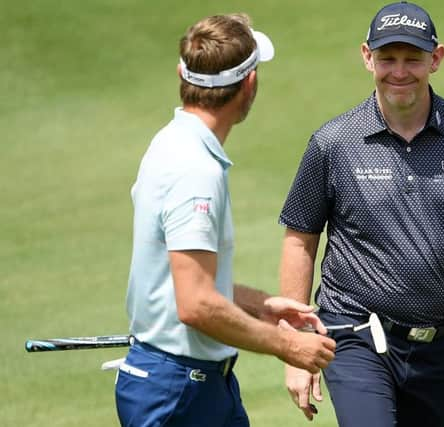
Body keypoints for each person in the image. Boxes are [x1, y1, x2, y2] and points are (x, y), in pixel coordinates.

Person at [278, 2, 444, 426]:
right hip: (354, 333)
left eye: (412, 59)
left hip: (439, 348)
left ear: (435, 59)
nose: (399, 71)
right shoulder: (333, 143)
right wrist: (294, 344)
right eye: (387, 59)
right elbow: (300, 239)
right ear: (367, 57)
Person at [115, 13, 336, 427]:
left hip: (195, 386)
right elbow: (197, 304)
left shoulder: (170, 142)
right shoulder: (195, 170)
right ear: (249, 84)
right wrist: (287, 346)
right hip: (179, 393)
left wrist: (262, 305)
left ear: (184, 75)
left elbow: (186, 277)